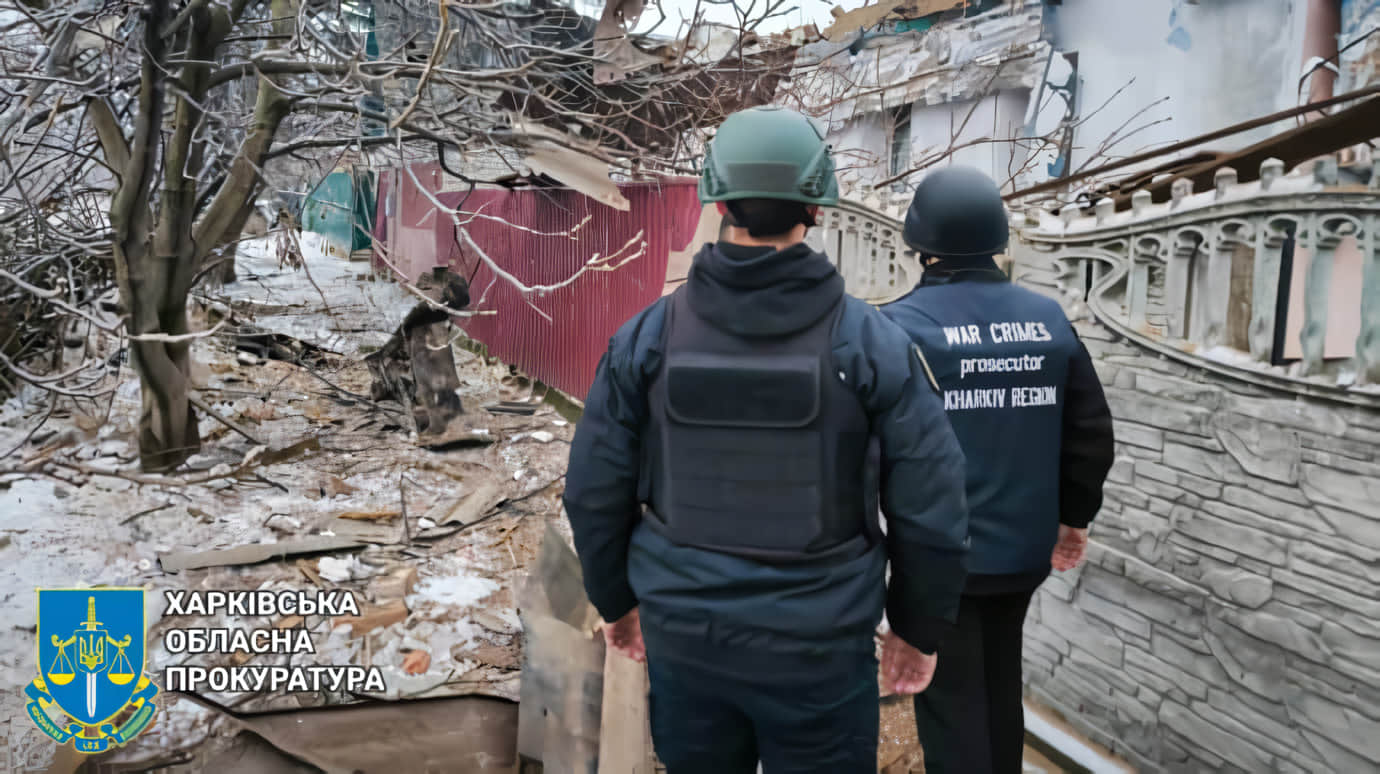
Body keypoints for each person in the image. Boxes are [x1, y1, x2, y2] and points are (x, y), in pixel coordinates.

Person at [562, 106, 971, 774]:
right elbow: (934, 510)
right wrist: (916, 630)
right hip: (820, 651)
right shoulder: (872, 346)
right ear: (817, 206)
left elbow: (593, 490)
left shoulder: (646, 339)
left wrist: (617, 601)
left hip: (686, 639)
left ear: (718, 201)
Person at [880, 166, 1116, 774]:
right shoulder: (1048, 320)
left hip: (941, 563)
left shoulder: (900, 326)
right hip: (1023, 554)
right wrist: (1074, 518)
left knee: (952, 710)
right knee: (999, 685)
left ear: (920, 241)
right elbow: (1090, 434)